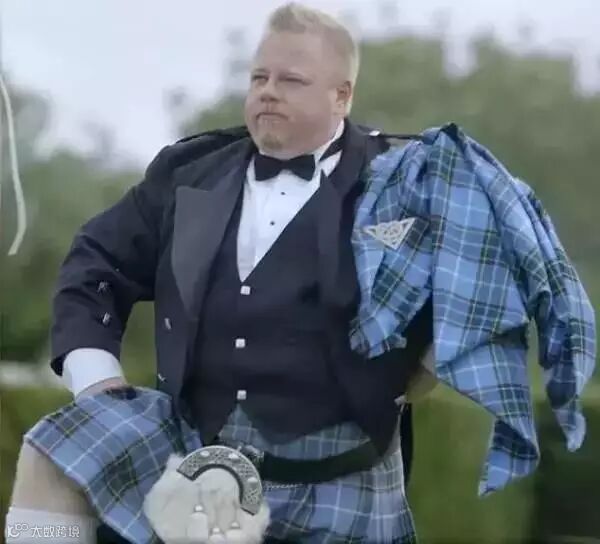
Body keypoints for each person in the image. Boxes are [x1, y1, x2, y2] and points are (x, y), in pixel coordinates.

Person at [6, 3, 595, 544]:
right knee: (53, 450)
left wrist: (429, 359)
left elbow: (483, 280)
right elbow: (96, 261)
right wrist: (96, 382)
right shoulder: (189, 173)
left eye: (290, 80)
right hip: (198, 457)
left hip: (341, 478)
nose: (267, 91)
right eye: (258, 78)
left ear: (342, 96)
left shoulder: (406, 183)